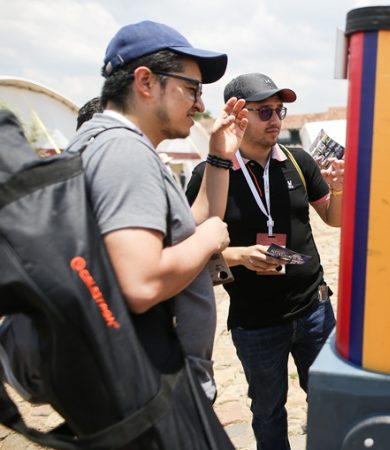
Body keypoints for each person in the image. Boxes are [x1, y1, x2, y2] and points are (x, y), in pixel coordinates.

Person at [67, 20, 248, 394]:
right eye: (191, 89)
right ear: (146, 82)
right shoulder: (124, 152)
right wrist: (209, 240)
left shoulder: (103, 142)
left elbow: (190, 220)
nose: (200, 105)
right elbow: (142, 282)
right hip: (155, 383)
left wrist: (218, 157)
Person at [185, 72, 340, 449]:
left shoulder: (298, 160)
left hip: (314, 309)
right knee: (268, 413)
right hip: (256, 322)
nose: (276, 120)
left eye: (280, 110)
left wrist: (338, 186)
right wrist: (239, 256)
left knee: (330, 403)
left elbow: (334, 218)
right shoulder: (211, 174)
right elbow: (190, 248)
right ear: (237, 115)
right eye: (264, 111)